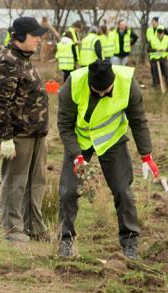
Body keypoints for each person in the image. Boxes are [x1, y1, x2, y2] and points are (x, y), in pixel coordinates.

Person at [57, 60, 159, 259]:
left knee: (123, 190)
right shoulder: (72, 85)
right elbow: (64, 126)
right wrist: (77, 156)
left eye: (106, 91)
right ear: (89, 84)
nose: (102, 94)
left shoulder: (128, 84)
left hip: (112, 140)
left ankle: (130, 244)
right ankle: (65, 241)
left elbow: (138, 121)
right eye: (97, 91)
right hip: (80, 141)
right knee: (69, 190)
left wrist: (147, 155)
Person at [0, 17, 49, 242]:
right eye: (35, 36)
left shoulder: (23, 59)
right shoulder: (7, 62)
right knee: (16, 182)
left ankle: (34, 226)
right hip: (19, 135)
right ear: (21, 36)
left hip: (36, 134)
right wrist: (5, 137)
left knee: (36, 182)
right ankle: (13, 228)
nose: (39, 40)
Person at [149, 26, 168, 90]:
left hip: (163, 58)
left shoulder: (167, 38)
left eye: (161, 32)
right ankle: (157, 88)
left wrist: (165, 49)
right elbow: (148, 49)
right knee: (155, 74)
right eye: (158, 32)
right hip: (154, 58)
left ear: (163, 32)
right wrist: (155, 50)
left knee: (166, 73)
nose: (160, 34)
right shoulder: (152, 39)